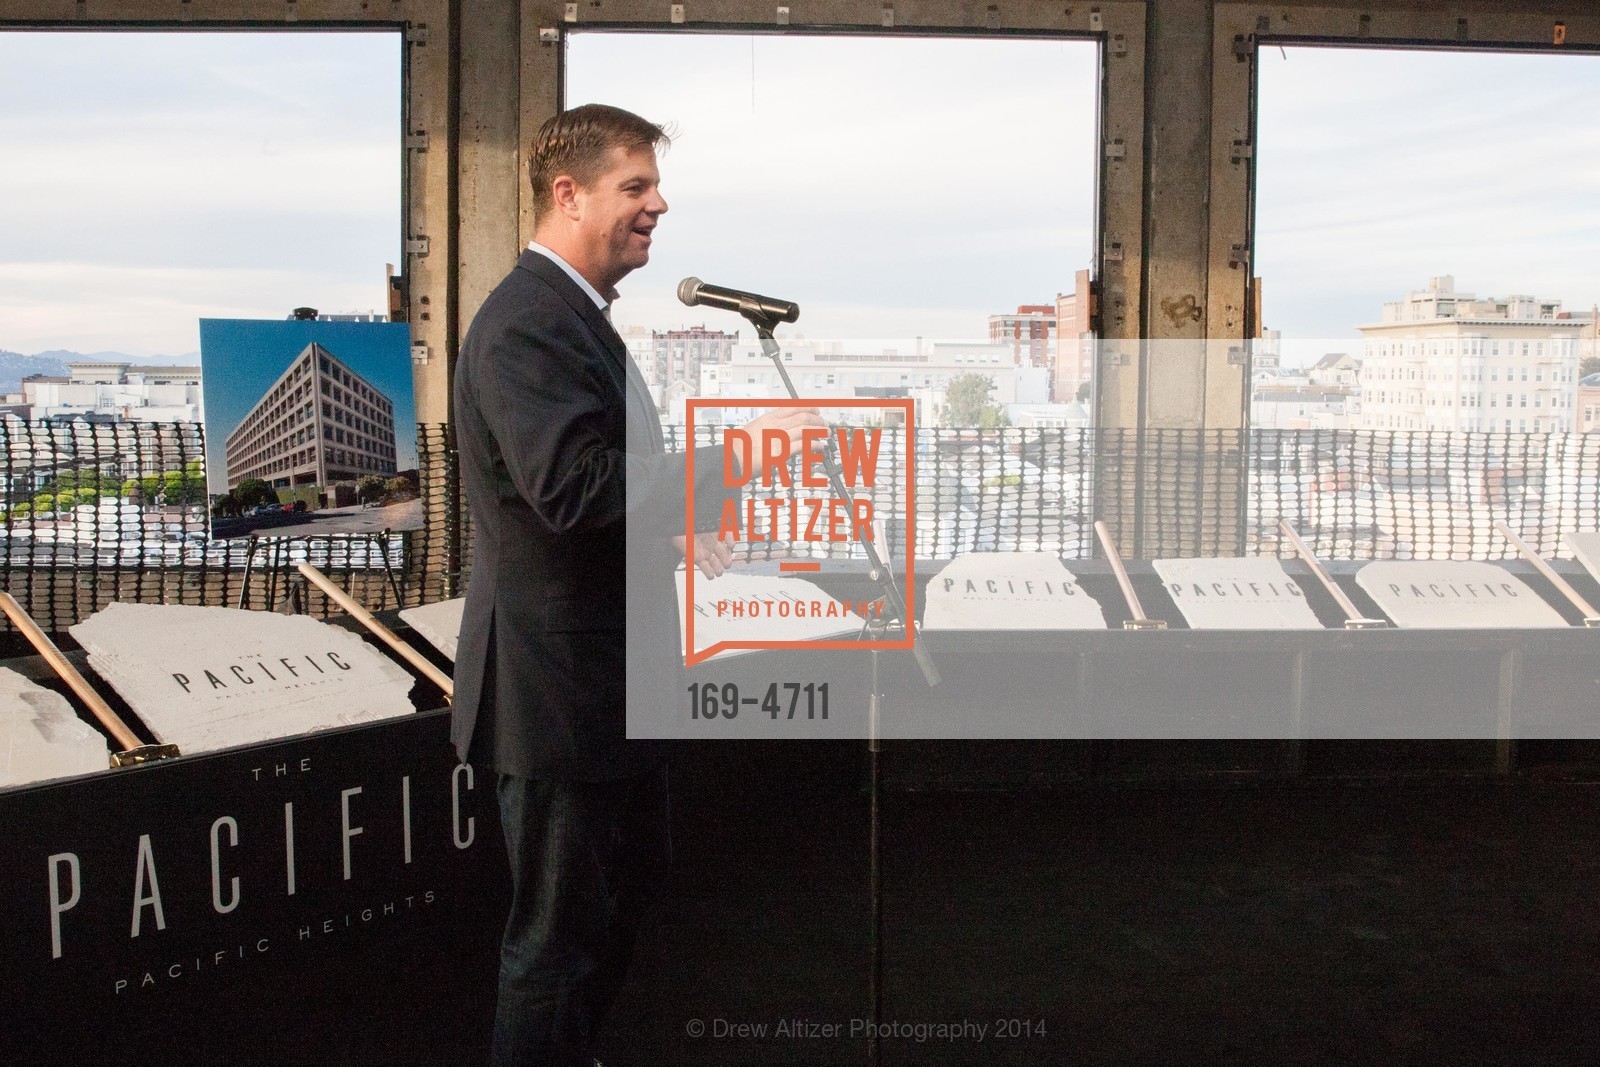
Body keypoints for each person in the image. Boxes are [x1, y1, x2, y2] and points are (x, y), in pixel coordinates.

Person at [451, 103, 822, 1066]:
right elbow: (573, 490)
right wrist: (737, 463)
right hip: (559, 699)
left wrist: (679, 538)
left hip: (603, 689)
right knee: (555, 947)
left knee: (609, 916)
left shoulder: (570, 317)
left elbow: (577, 505)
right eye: (637, 186)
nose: (661, 203)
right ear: (568, 195)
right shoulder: (529, 325)